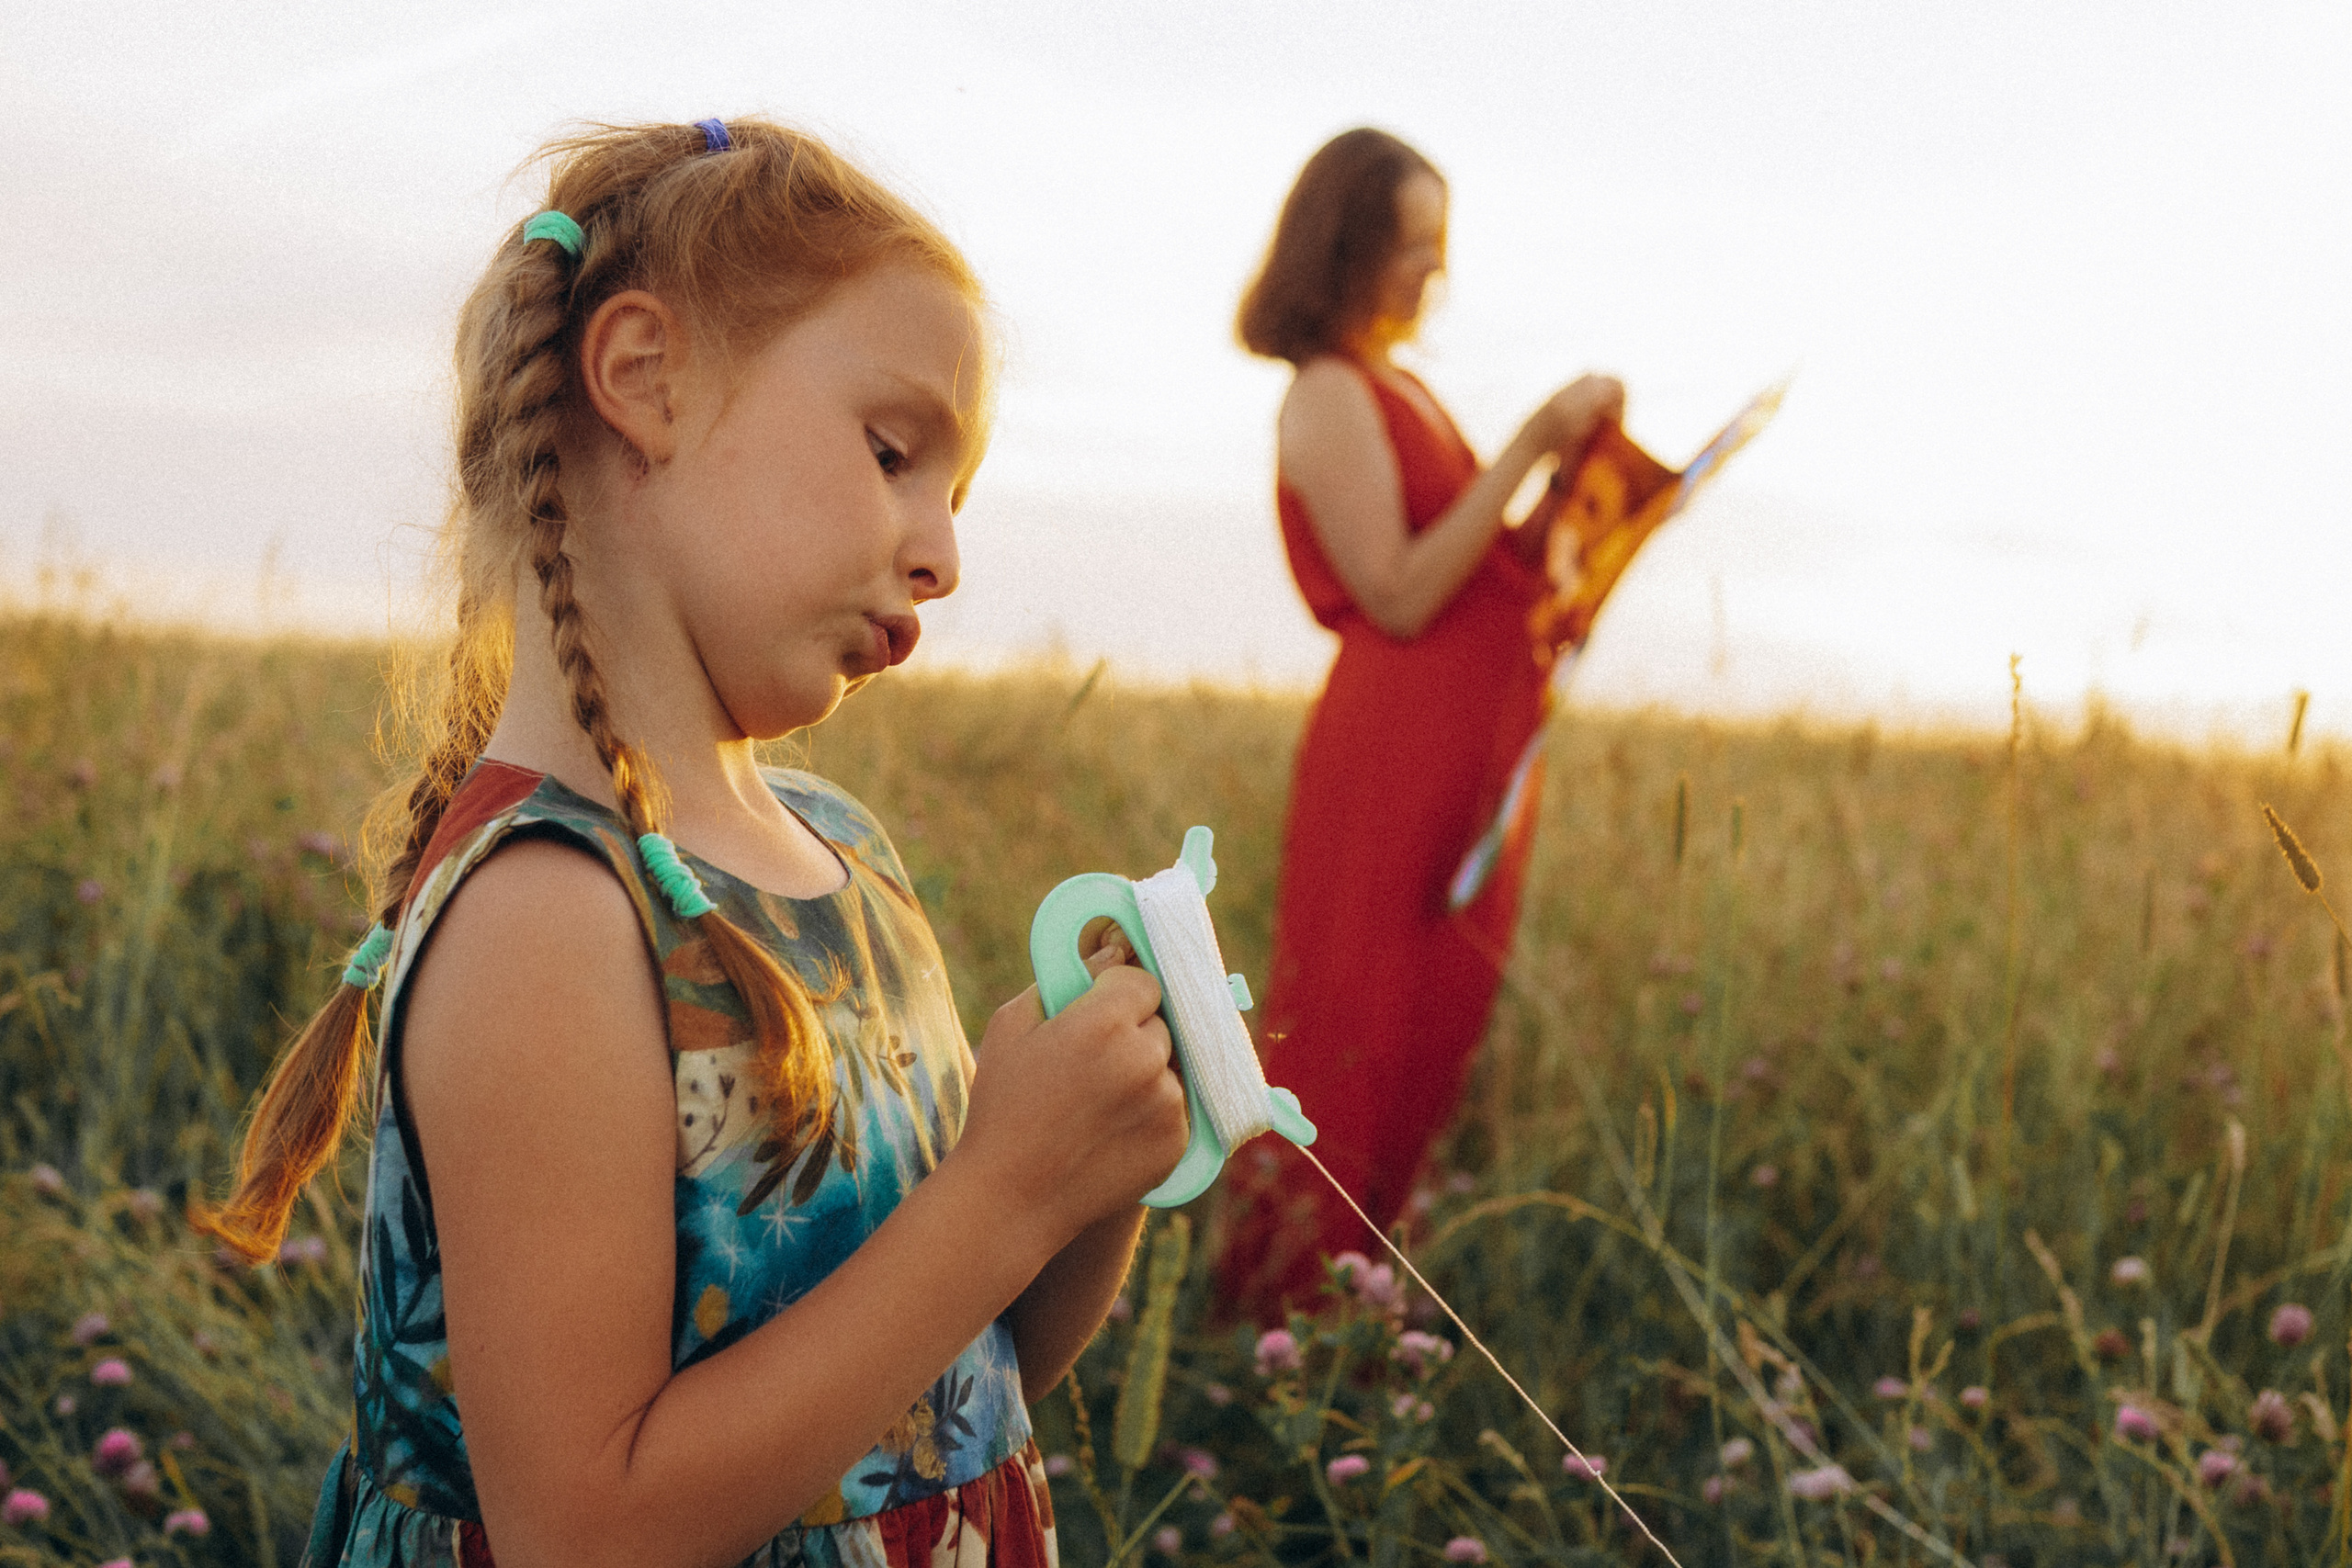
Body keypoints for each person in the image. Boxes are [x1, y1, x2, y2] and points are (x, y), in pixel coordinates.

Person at [197, 118, 1188, 1568]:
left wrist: (1087, 1179)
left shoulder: (843, 851)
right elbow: (583, 1529)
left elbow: (949, 1393)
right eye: (896, 451)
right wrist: (1004, 1192)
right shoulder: (551, 913)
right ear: (645, 379)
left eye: (955, 496)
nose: (944, 556)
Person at [1215, 129, 1623, 1321]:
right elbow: (1397, 589)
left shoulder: (1400, 385)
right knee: (1355, 1028)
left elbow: (1476, 563)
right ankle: (1277, 1320)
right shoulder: (1329, 393)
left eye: (1439, 248)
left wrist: (1577, 486)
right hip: (1390, 762)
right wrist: (1533, 441)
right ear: (1342, 248)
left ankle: (1363, 1313)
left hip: (1464, 759)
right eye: (1408, 246)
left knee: (1432, 1035)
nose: (1428, 273)